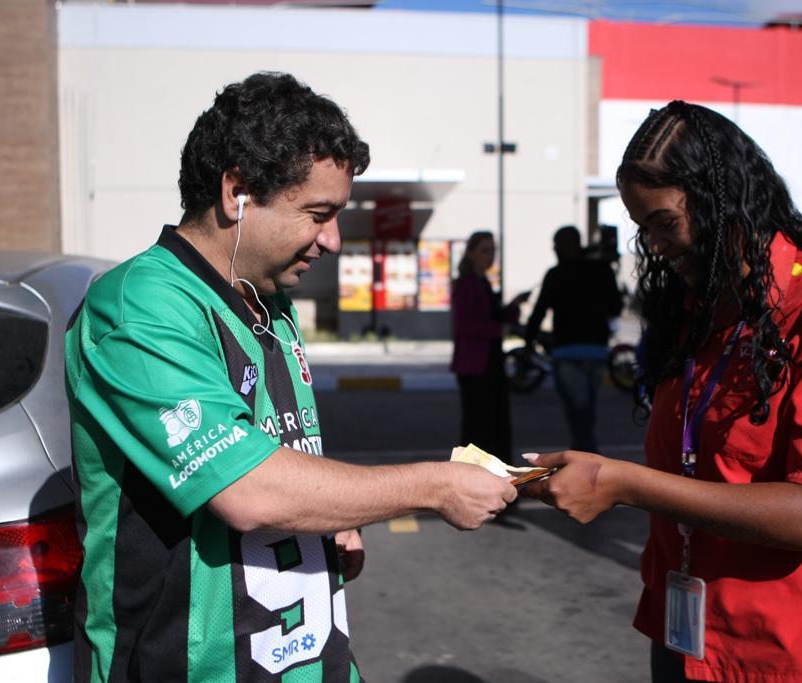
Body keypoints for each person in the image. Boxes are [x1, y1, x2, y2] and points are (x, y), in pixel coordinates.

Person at [65, 72, 516, 683]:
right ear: (238, 192)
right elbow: (250, 491)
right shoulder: (141, 305)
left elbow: (279, 457)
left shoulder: (269, 303)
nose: (331, 240)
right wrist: (435, 486)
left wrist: (335, 517)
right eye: (317, 214)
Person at [524, 101, 802, 682]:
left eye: (665, 223)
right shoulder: (693, 311)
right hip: (683, 638)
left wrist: (622, 483)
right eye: (644, 229)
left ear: (724, 201)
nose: (657, 247)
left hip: (786, 653)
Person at [524, 225, 623, 452]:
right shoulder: (601, 269)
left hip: (566, 348)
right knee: (588, 406)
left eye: (556, 245)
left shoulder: (555, 274)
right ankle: (586, 449)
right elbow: (616, 306)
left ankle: (585, 450)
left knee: (576, 408)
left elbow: (539, 311)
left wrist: (528, 341)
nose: (554, 250)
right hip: (597, 346)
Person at [450, 231, 528, 463]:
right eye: (485, 250)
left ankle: (497, 480)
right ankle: (472, 481)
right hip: (475, 366)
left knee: (495, 424)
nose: (491, 255)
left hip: (490, 362)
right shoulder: (466, 285)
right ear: (471, 253)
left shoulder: (483, 282)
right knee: (478, 428)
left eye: (493, 250)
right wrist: (499, 329)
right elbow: (465, 326)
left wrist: (513, 307)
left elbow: (494, 316)